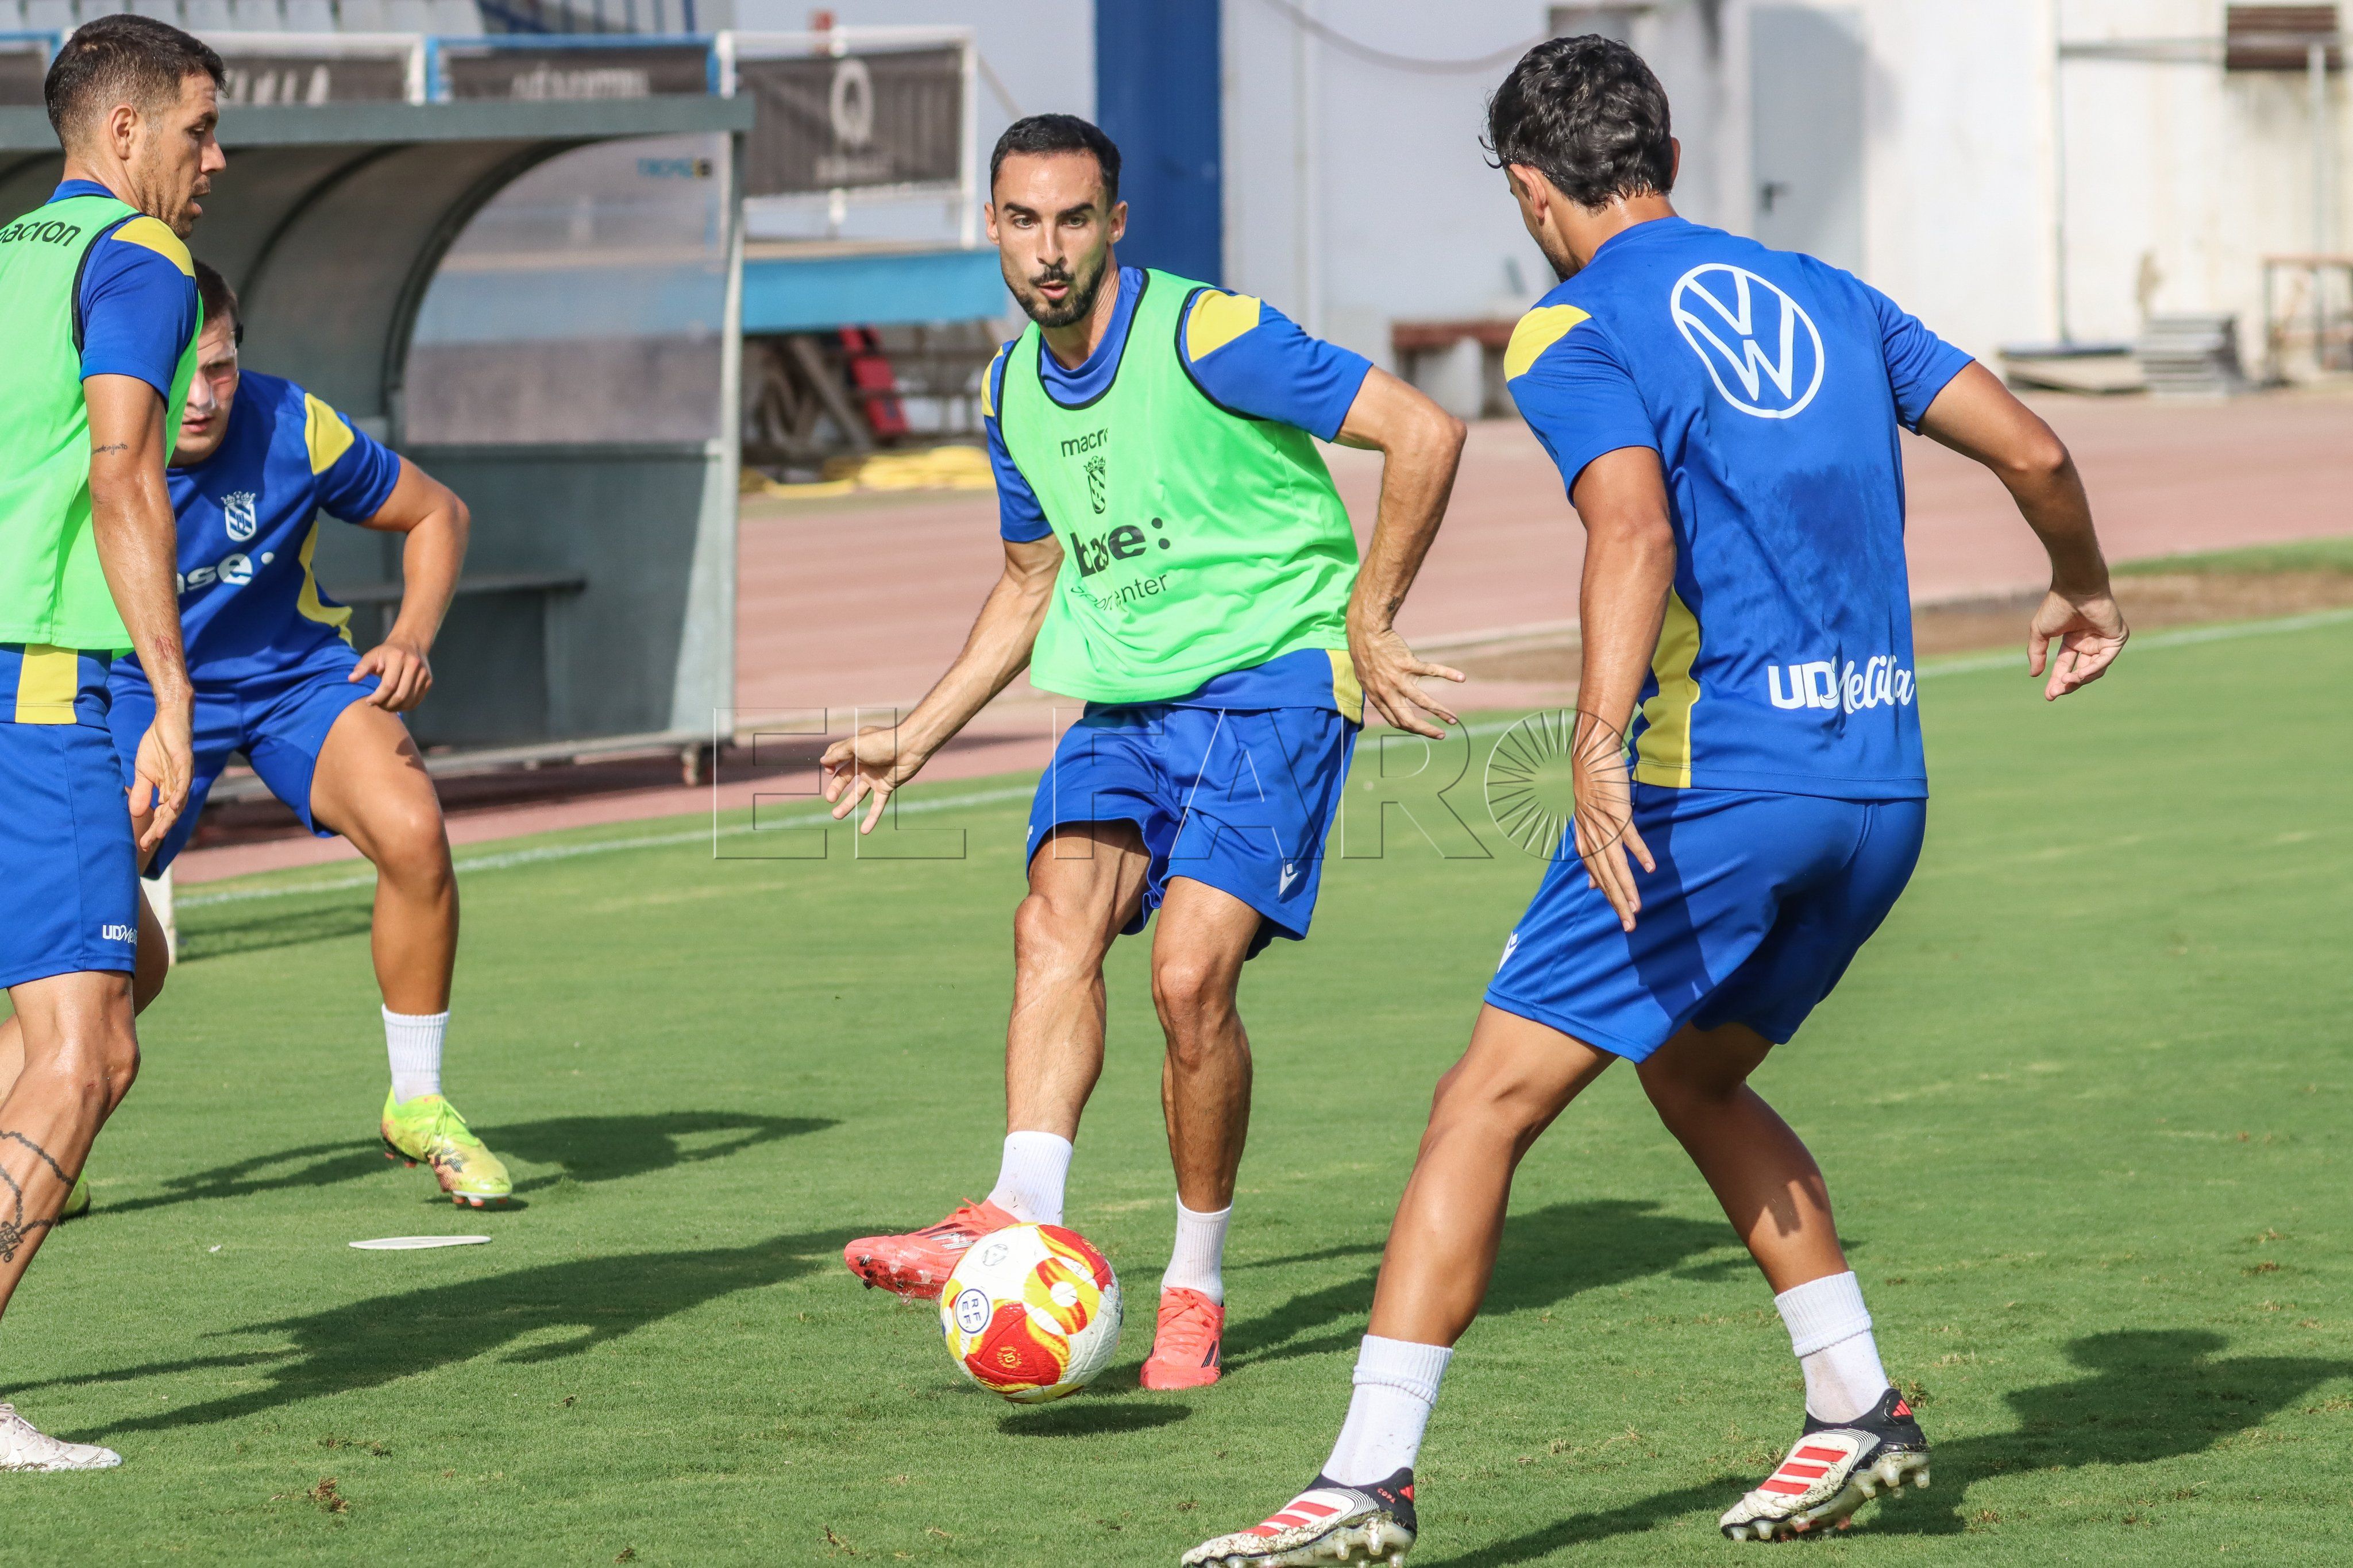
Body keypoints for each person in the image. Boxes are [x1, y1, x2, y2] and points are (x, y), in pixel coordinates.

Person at [1185, 36, 2129, 1563]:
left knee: (1476, 1108)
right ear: (1668, 161)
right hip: (1881, 793)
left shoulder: (1567, 324)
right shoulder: (1833, 293)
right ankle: (1856, 1408)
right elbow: (2038, 449)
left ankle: (1365, 1479)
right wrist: (2082, 586)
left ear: (1531, 186)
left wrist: (1599, 738)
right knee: (1693, 1075)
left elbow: (1626, 527)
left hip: (1716, 792)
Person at [825, 114, 1467, 1391]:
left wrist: (1369, 618)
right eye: (1022, 221)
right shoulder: (1010, 388)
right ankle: (1016, 1207)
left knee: (1186, 980)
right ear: (992, 229)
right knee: (1049, 924)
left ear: (1115, 224)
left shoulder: (1205, 333)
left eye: (1073, 220)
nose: (1047, 250)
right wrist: (918, 730)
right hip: (1123, 701)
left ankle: (1194, 1282)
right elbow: (1029, 578)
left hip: (1272, 683)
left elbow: (1423, 431)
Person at [0, 260, 508, 1210]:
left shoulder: (295, 424)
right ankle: (31, 1134)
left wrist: (410, 635)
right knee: (110, 961)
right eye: (185, 368)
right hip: (134, 694)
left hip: (293, 678)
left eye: (223, 367)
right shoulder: (84, 446)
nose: (202, 395)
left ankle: (420, 1099)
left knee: (412, 827)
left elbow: (439, 512)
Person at [0, 14, 222, 1472]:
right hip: (41, 688)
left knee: (76, 1035)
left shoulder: (9, 252)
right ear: (126, 131)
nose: (216, 161)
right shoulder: (140, 260)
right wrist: (174, 692)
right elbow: (125, 460)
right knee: (82, 1056)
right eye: (201, 130)